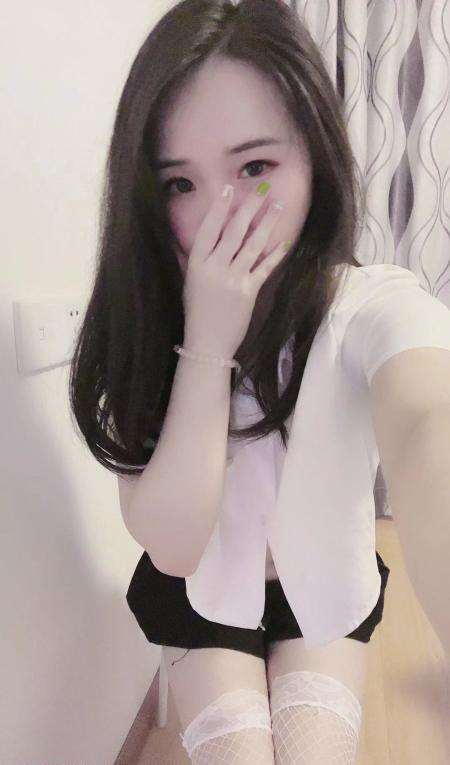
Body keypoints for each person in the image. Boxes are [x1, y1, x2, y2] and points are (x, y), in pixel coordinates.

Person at [68, 1, 450, 762]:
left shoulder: (367, 303)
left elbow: (428, 417)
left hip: (320, 590)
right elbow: (175, 547)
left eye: (254, 168)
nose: (224, 214)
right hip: (201, 591)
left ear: (314, 159)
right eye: (180, 184)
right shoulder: (142, 320)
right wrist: (208, 342)